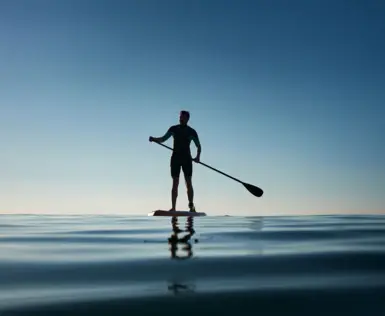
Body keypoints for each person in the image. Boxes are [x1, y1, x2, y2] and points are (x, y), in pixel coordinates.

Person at [149, 110, 201, 212]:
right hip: (175, 159)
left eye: (183, 117)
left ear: (187, 119)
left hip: (187, 159)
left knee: (188, 182)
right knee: (175, 183)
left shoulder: (192, 132)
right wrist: (154, 139)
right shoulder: (173, 129)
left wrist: (198, 156)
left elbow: (198, 146)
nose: (180, 118)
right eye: (180, 117)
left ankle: (191, 206)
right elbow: (163, 139)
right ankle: (173, 207)